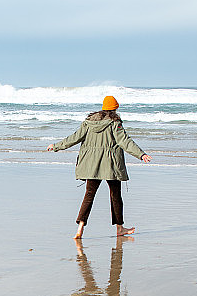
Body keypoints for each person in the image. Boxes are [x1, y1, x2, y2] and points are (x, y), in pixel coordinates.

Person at [47, 95, 152, 239]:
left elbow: (74, 138)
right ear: (115, 109)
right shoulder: (115, 122)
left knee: (89, 195)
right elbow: (125, 141)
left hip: (92, 165)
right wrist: (141, 154)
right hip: (111, 165)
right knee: (115, 196)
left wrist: (56, 146)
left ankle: (80, 229)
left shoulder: (89, 122)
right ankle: (120, 228)